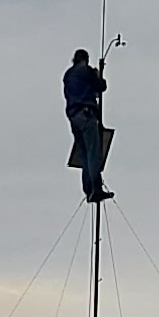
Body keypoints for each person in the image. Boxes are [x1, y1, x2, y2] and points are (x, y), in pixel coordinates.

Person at [62, 49, 113, 204]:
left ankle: (88, 190)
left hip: (73, 117)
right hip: (86, 114)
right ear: (85, 59)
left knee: (84, 155)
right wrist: (97, 75)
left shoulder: (68, 75)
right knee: (93, 153)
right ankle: (96, 189)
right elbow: (101, 86)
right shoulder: (86, 71)